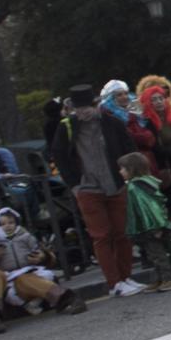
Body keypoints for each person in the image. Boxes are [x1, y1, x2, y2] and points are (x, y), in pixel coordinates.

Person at [50, 84, 144, 297]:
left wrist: (129, 176)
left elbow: (129, 147)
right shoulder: (66, 127)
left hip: (116, 184)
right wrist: (74, 184)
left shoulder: (111, 122)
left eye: (87, 106)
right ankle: (114, 283)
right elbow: (59, 155)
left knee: (122, 233)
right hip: (88, 188)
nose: (83, 111)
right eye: (79, 107)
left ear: (96, 104)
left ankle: (126, 276)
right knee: (101, 236)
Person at [0, 200, 84, 333]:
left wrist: (42, 257)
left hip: (22, 282)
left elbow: (49, 257)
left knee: (23, 278)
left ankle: (68, 298)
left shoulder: (14, 230)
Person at [136, 75, 171, 251]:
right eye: (154, 100)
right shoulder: (147, 123)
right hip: (165, 168)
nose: (159, 102)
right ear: (147, 103)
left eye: (161, 98)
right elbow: (154, 147)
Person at [118, 152, 171, 290]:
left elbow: (147, 208)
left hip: (150, 226)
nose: (120, 171)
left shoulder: (136, 187)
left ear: (131, 169)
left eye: (123, 168)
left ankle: (168, 279)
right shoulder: (146, 182)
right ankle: (159, 279)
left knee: (158, 255)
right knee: (154, 255)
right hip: (150, 225)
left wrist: (156, 227)